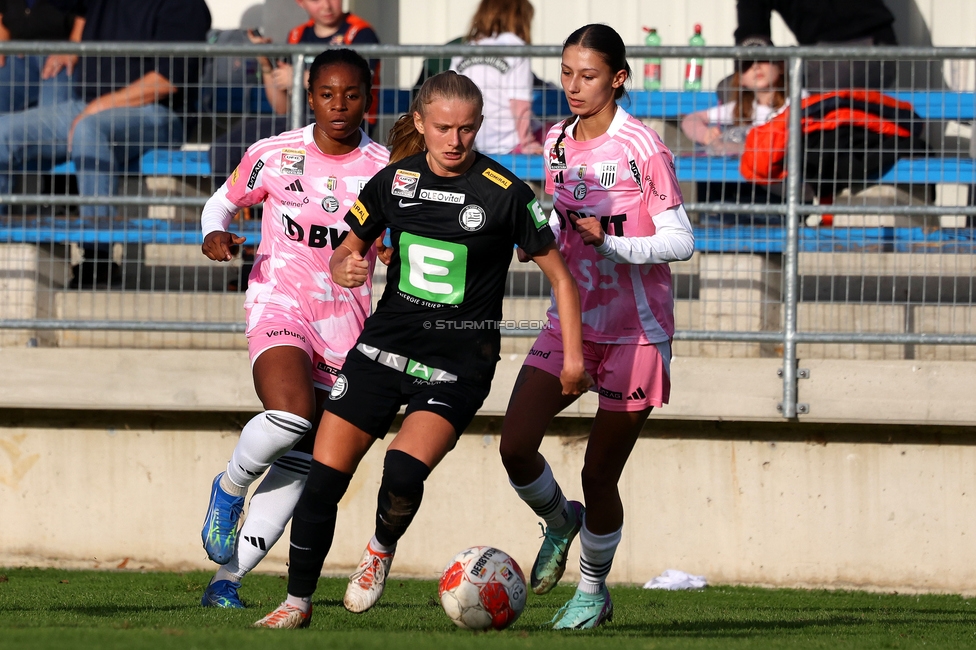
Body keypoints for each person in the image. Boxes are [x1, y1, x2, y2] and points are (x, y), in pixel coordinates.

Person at [252, 70, 592, 629]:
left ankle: (380, 549)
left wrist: (573, 358)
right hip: (381, 350)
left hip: (458, 364)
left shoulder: (505, 194)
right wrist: (347, 265)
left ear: (478, 126)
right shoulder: (393, 181)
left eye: (467, 129)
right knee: (323, 483)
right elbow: (344, 253)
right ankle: (296, 604)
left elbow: (561, 278)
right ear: (419, 123)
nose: (455, 141)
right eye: (443, 128)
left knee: (403, 474)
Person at [498, 24, 695, 630]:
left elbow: (682, 242)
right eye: (565, 73)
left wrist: (611, 242)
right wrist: (540, 242)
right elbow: (562, 225)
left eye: (587, 75)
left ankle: (592, 590)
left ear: (618, 78)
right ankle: (560, 520)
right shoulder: (555, 140)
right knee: (515, 444)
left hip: (636, 333)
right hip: (572, 323)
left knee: (599, 472)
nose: (573, 87)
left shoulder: (642, 146)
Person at [198, 48, 390, 609]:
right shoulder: (274, 155)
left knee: (302, 464)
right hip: (278, 303)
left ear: (367, 99)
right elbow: (221, 205)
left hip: (347, 325)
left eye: (351, 95)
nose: (339, 105)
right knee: (291, 412)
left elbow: (399, 248)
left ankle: (226, 582)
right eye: (328, 94)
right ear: (310, 96)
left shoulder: (383, 169)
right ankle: (230, 486)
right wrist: (216, 236)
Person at [0, 0, 211, 287]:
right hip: (85, 106)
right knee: (4, 130)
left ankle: (97, 259)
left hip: (157, 114)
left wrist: (98, 106)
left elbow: (165, 82)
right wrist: (71, 51)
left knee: (89, 130)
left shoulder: (185, 7)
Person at [210, 0, 381, 182]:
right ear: (301, 3)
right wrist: (266, 64)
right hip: (300, 124)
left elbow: (355, 85)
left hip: (350, 124)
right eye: (316, 1)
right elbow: (282, 108)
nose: (326, 6)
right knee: (223, 148)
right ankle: (235, 206)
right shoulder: (297, 35)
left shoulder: (360, 33)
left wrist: (298, 76)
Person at [732, 0, 898, 93]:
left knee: (819, 92)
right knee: (729, 89)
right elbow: (750, 30)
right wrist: (753, 69)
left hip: (866, 46)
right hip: (813, 55)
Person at [450, 0, 542, 155]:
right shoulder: (515, 47)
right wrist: (527, 142)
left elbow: (452, 96)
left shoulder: (464, 50)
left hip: (471, 139)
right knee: (562, 134)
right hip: (511, 143)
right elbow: (519, 102)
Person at [681, 38, 789, 156]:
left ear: (781, 66)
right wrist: (706, 135)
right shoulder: (741, 108)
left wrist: (730, 147)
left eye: (763, 58)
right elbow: (690, 119)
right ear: (740, 78)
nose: (756, 66)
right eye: (747, 64)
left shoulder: (798, 101)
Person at [0, 0, 86, 113]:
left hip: (63, 54)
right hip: (19, 54)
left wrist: (73, 47)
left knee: (50, 116)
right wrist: (3, 45)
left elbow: (90, 10)